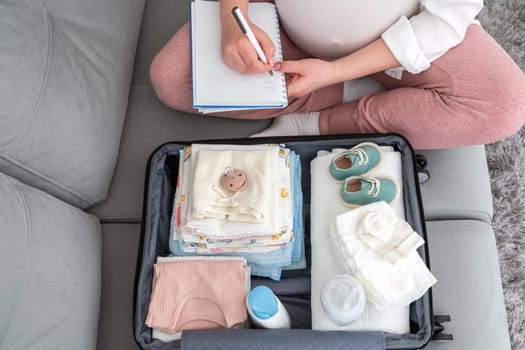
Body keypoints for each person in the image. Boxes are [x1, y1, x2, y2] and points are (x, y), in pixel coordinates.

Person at [149, 0, 525, 149]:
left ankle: (322, 119)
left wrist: (333, 71)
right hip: (286, 33)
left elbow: (445, 19)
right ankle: (351, 89)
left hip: (396, 45)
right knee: (172, 77)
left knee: (507, 103)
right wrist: (236, 21)